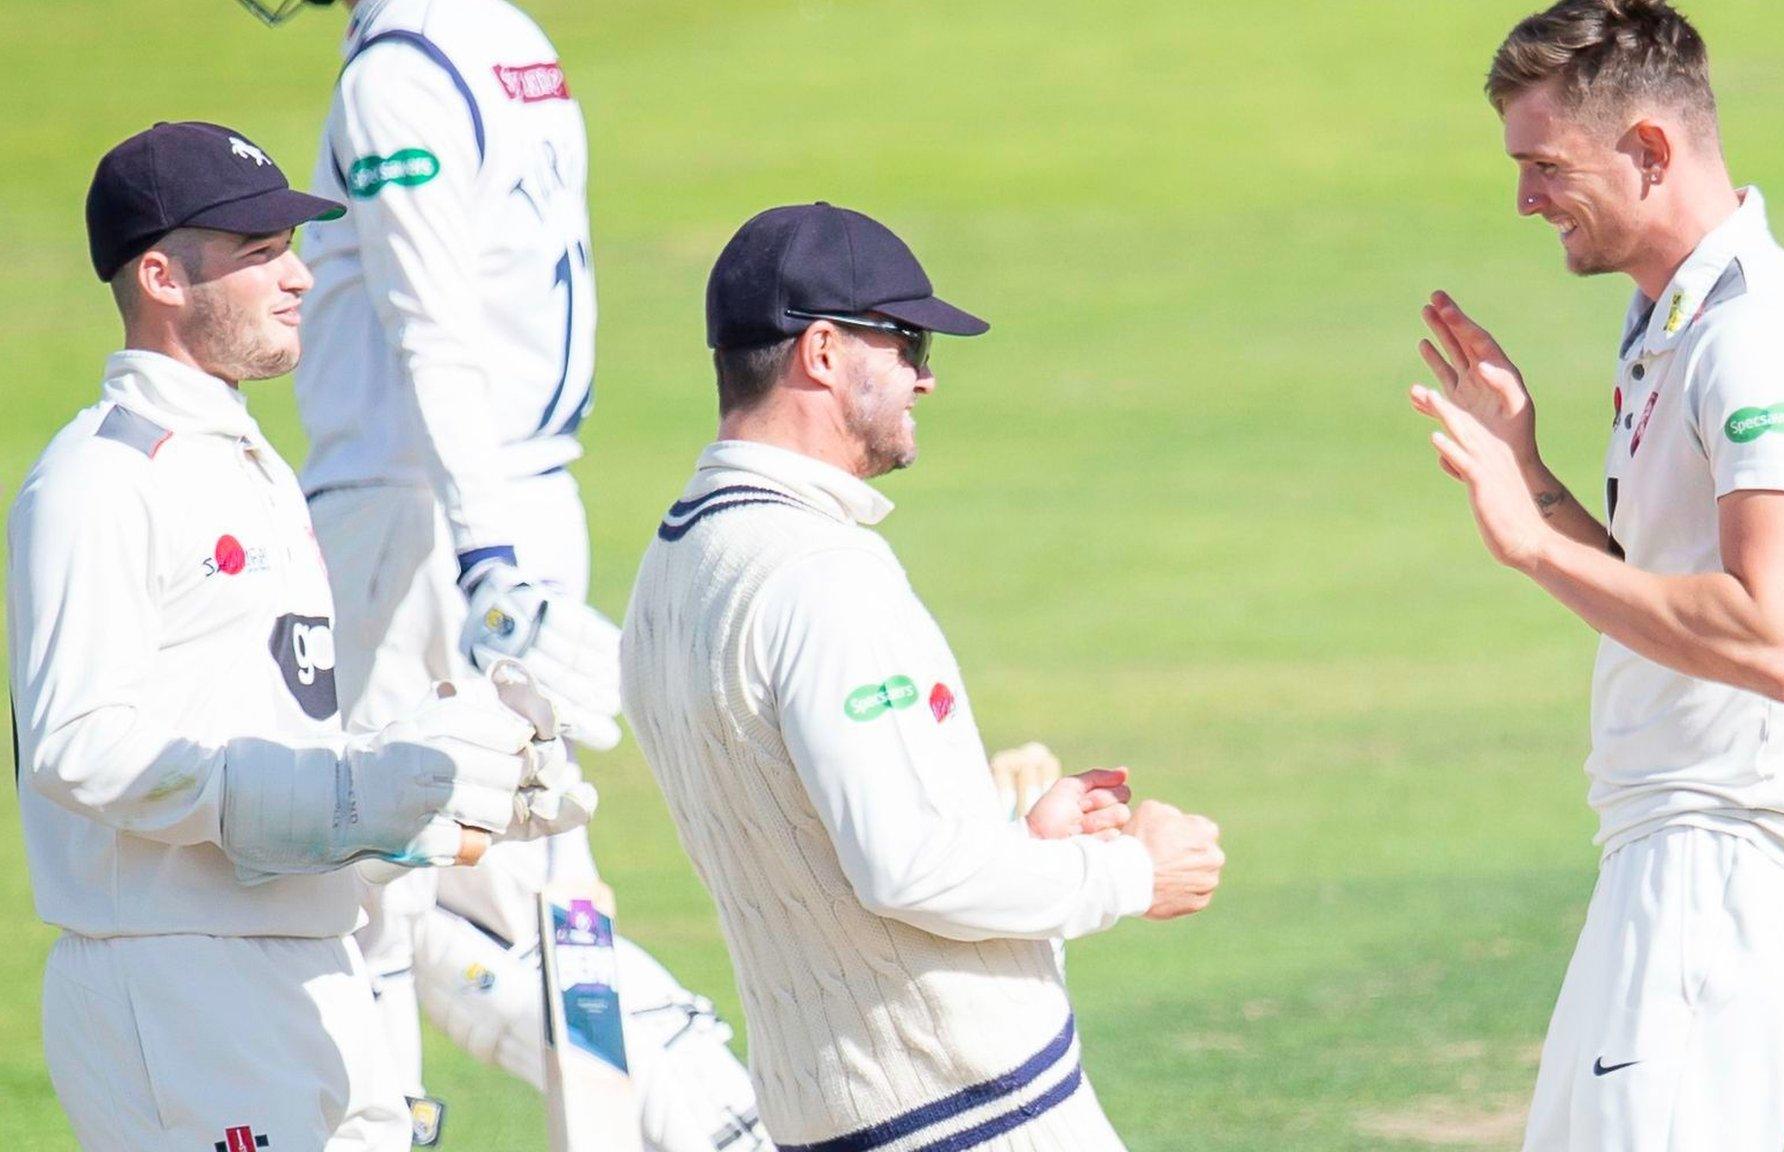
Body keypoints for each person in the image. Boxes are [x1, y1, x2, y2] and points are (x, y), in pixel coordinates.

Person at [239, 0, 766, 1144]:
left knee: (364, 877)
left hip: (420, 515)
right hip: (522, 500)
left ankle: (386, 1122)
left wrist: (486, 564)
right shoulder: (508, 36)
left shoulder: (399, 74)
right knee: (531, 879)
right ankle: (711, 1118)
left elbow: (432, 325)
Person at [12, 120, 583, 1152]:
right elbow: (77, 747)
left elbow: (271, 740)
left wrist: (425, 798)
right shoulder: (99, 478)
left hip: (310, 965)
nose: (303, 280)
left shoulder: (252, 467)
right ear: (162, 277)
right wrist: (343, 794)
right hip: (180, 981)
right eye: (260, 255)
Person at [622, 202, 1229, 1151]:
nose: (926, 377)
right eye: (904, 341)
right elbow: (907, 868)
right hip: (969, 1113)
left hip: (830, 1111)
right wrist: (1127, 873)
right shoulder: (819, 575)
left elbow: (824, 842)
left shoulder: (672, 569)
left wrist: (1019, 842)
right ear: (821, 351)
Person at [1408, 2, 1784, 1147]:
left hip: (1734, 857)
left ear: (1648, 149)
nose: (1522, 198)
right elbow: (1663, 598)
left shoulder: (1753, 337)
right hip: (1674, 847)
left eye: (1543, 166)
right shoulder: (1670, 321)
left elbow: (1773, 640)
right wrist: (1526, 477)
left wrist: (1524, 544)